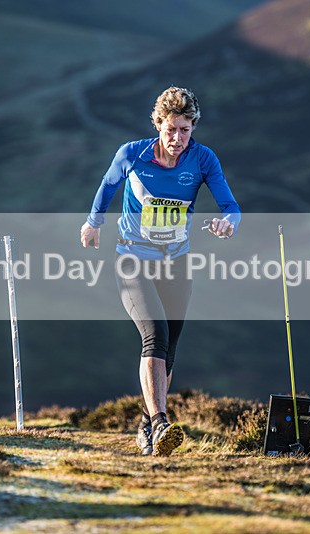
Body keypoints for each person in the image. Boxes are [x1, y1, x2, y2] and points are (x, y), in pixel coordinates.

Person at [80, 87, 241, 456]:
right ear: (158, 125)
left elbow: (231, 205)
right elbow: (107, 186)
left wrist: (228, 222)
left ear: (192, 128)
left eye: (185, 130)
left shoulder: (203, 159)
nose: (177, 139)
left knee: (169, 349)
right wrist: (93, 224)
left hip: (176, 262)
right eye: (170, 129)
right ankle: (160, 423)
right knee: (153, 335)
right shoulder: (132, 154)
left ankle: (147, 422)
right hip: (133, 259)